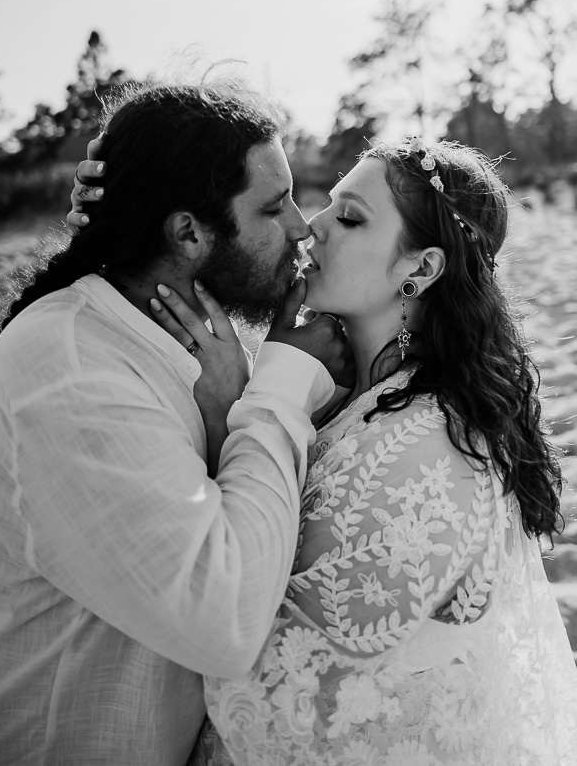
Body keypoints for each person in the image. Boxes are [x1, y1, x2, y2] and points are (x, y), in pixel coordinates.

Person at [78, 137, 577, 764]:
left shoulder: (427, 447)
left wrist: (240, 405)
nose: (312, 225)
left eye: (349, 218)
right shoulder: (345, 394)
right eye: (330, 204)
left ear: (418, 272)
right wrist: (124, 220)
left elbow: (273, 673)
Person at [0, 80, 350, 766]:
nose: (302, 226)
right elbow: (227, 621)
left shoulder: (198, 342)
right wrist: (271, 391)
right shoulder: (69, 371)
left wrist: (228, 410)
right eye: (273, 207)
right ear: (186, 232)